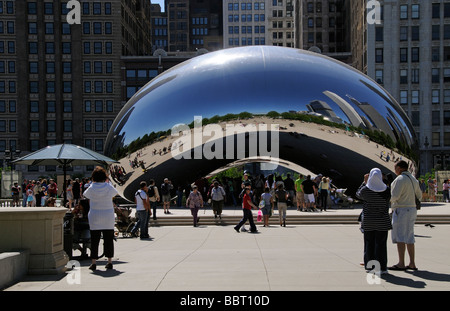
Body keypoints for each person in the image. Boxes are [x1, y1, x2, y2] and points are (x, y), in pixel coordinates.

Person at [356, 168, 392, 274]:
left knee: (369, 243)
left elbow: (358, 194)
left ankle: (370, 266)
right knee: (381, 244)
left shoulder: (366, 190)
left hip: (368, 221)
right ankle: (382, 267)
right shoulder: (386, 190)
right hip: (382, 221)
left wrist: (364, 182)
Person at [83, 166, 119, 271]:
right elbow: (115, 193)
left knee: (95, 239)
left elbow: (85, 195)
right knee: (108, 239)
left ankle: (94, 262)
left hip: (95, 214)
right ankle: (109, 261)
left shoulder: (92, 187)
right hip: (107, 214)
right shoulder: (108, 187)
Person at [389, 160, 422, 271]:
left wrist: (390, 201)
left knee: (400, 236)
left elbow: (395, 196)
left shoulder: (400, 179)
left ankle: (401, 263)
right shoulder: (413, 179)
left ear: (399, 168)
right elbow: (419, 195)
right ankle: (412, 263)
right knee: (410, 236)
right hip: (412, 209)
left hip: (401, 209)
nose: (395, 170)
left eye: (395, 168)